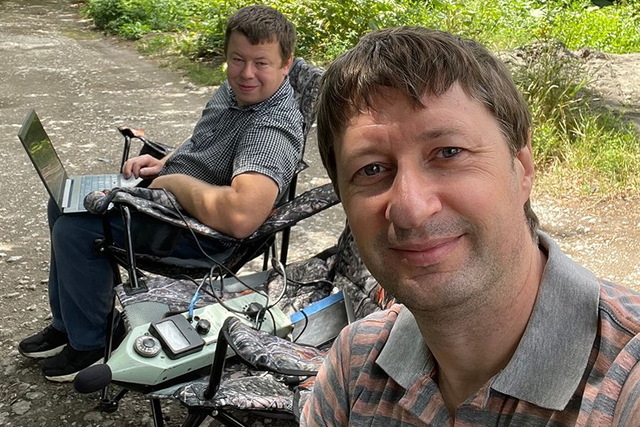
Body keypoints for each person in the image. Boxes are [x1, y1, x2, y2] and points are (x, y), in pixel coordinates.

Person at [301, 26, 640, 425]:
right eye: (371, 169)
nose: (411, 208)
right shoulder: (353, 365)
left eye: (448, 152)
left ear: (522, 167)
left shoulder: (626, 379)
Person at [18, 5, 303, 383]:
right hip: (173, 202)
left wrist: (172, 182)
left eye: (261, 63)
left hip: (199, 236)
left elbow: (240, 218)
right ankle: (69, 324)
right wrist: (165, 162)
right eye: (237, 59)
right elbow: (206, 142)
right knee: (63, 203)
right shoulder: (235, 91)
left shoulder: (272, 129)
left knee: (76, 229)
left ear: (286, 65)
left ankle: (92, 343)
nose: (246, 73)